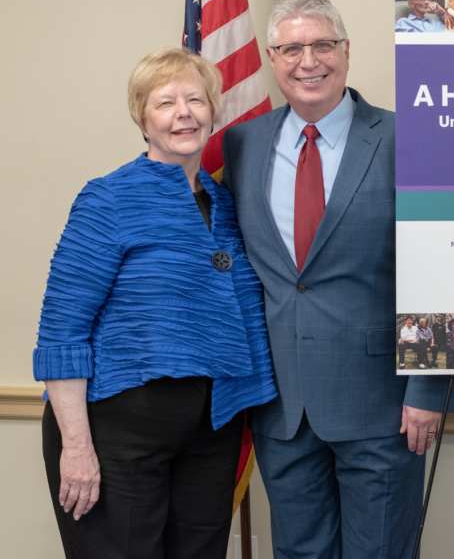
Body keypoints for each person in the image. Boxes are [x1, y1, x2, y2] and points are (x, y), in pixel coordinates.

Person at [221, 0, 451, 559]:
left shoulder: (408, 138)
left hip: (385, 406)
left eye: (322, 44)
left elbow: (440, 265)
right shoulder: (242, 143)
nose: (309, 61)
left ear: (346, 53)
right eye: (292, 48)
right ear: (272, 60)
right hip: (281, 407)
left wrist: (429, 389)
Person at [33, 47, 277, 558]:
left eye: (196, 99)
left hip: (214, 425)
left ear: (214, 111)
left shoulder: (229, 204)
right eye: (165, 102)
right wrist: (77, 448)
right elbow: (62, 331)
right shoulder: (108, 198)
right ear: (142, 117)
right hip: (117, 427)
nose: (183, 113)